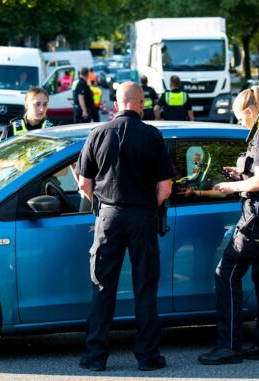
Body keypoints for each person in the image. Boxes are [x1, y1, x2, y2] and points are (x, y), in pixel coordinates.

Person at [197, 86, 259, 365]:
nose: (240, 122)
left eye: (240, 117)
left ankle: (228, 347)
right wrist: (242, 172)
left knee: (227, 273)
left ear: (251, 110)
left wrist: (231, 185)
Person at [76, 81, 174, 372]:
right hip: (143, 217)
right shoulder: (153, 136)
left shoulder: (98, 133)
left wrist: (102, 208)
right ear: (141, 104)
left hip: (108, 216)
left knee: (103, 286)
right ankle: (148, 357)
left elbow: (83, 183)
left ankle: (95, 357)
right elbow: (166, 187)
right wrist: (148, 208)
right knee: (145, 287)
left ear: (116, 105)